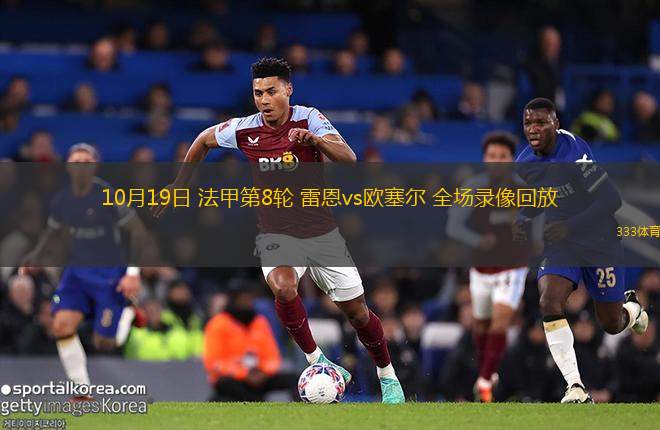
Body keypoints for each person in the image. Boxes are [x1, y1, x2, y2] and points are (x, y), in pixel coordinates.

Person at [153, 57, 405, 403]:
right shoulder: (245, 129)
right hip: (276, 234)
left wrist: (315, 141)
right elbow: (202, 140)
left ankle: (387, 376)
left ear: (288, 90)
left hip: (322, 233)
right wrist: (179, 184)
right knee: (284, 289)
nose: (264, 100)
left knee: (357, 313)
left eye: (271, 91)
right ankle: (318, 360)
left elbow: (348, 159)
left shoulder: (309, 118)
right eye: (258, 93)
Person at [514, 97, 649, 403]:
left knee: (611, 324)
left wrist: (570, 226)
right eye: (528, 123)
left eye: (541, 122)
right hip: (562, 243)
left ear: (556, 124)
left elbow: (610, 200)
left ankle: (632, 309)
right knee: (549, 300)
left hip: (599, 241)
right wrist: (524, 216)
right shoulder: (524, 163)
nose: (533, 129)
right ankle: (575, 386)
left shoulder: (574, 153)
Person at [19, 143, 147, 398]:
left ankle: (127, 313)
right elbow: (52, 231)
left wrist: (132, 273)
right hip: (76, 274)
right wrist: (36, 255)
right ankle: (82, 391)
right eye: (76, 162)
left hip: (109, 275)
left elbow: (139, 233)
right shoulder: (62, 200)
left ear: (95, 167)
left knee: (105, 343)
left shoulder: (108, 195)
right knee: (61, 326)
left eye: (86, 163)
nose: (81, 168)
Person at [446, 131, 532, 402]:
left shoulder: (524, 190)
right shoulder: (473, 188)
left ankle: (484, 381)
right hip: (481, 268)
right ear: (485, 158)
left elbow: (540, 223)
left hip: (513, 267)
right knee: (481, 326)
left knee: (500, 321)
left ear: (511, 159)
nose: (497, 160)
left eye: (502, 156)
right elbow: (453, 226)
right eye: (492, 155)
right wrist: (478, 240)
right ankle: (488, 374)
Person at [204, 282, 296, 401]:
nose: (247, 302)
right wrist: (244, 373)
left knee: (294, 379)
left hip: (260, 375)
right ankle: (257, 402)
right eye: (243, 298)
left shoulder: (259, 322)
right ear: (234, 300)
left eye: (249, 298)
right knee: (225, 384)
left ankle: (302, 406)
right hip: (234, 378)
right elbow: (214, 362)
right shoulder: (218, 324)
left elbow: (273, 356)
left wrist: (263, 372)